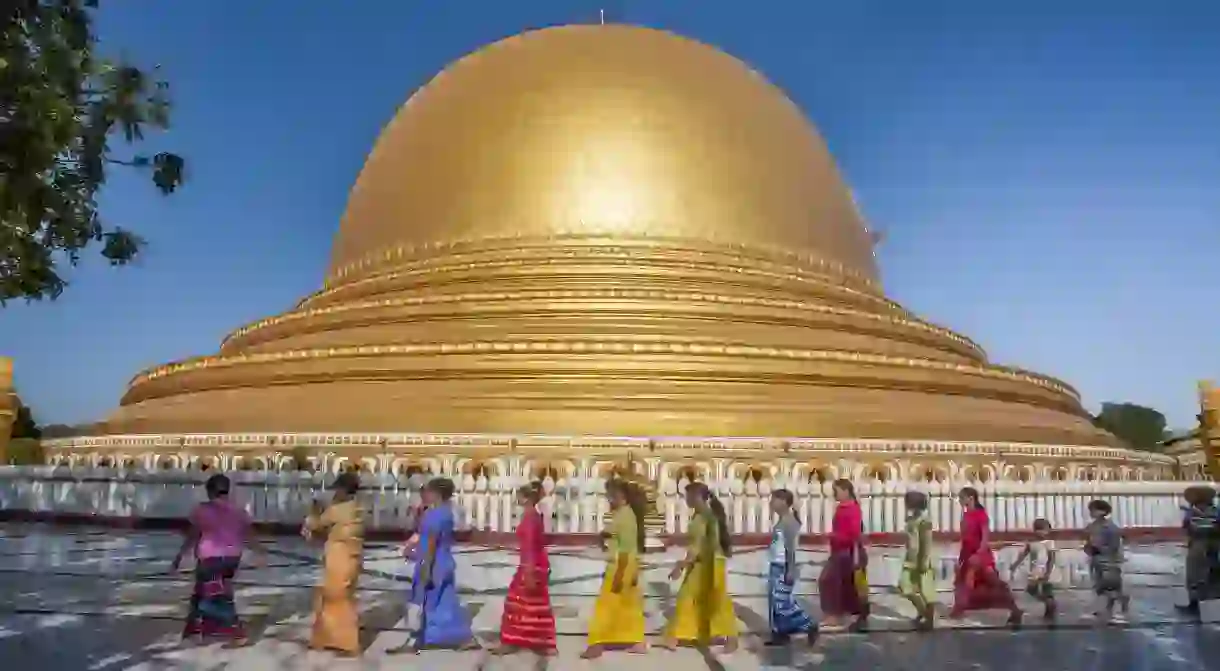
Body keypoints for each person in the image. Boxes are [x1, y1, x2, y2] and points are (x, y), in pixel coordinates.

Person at [172, 473, 265, 646]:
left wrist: (180, 555)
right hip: (232, 559)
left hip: (210, 558)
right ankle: (193, 631)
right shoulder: (239, 511)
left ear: (210, 491)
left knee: (212, 598)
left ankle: (237, 632)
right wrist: (260, 552)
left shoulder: (202, 509)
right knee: (203, 592)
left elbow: (193, 534)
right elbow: (249, 535)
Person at [393, 477, 475, 653]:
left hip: (434, 563)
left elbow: (431, 543)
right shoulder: (445, 511)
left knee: (421, 600)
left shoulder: (435, 515)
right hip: (443, 562)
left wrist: (425, 568)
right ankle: (462, 638)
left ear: (436, 494)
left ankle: (415, 640)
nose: (425, 494)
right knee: (445, 602)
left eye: (428, 491)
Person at [662, 482, 739, 652]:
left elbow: (697, 545)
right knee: (688, 597)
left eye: (688, 496)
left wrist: (681, 565)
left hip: (709, 564)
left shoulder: (705, 517)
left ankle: (731, 637)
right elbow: (695, 539)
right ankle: (680, 634)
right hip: (703, 563)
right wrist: (676, 540)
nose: (686, 500)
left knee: (715, 600)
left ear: (697, 497)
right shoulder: (701, 516)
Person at [582, 478, 648, 659]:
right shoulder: (623, 514)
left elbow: (626, 548)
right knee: (628, 605)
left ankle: (596, 643)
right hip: (626, 565)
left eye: (610, 496)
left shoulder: (626, 517)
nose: (608, 500)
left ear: (619, 496)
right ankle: (637, 641)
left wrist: (619, 574)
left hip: (621, 566)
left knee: (604, 606)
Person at [303, 472, 365, 657]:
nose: (334, 492)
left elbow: (315, 524)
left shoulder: (337, 509)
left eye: (337, 489)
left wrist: (314, 510)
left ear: (343, 490)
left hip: (339, 556)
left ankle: (348, 644)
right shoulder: (357, 507)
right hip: (353, 556)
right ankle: (324, 638)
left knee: (336, 598)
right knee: (338, 597)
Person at [495, 481, 557, 656]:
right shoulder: (534, 516)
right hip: (537, 562)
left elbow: (530, 546)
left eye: (520, 496)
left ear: (526, 498)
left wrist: (529, 571)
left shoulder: (530, 518)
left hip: (531, 564)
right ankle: (540, 642)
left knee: (517, 603)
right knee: (535, 603)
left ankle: (513, 641)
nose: (517, 499)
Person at [950, 487, 1022, 627]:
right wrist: (961, 558)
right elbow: (965, 538)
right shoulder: (966, 515)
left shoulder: (981, 515)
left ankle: (1015, 610)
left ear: (970, 498)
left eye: (961, 497)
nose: (959, 500)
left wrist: (979, 554)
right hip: (968, 555)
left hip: (981, 556)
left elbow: (985, 538)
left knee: (994, 583)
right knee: (964, 583)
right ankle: (959, 609)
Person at [764, 488, 818, 646]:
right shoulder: (783, 520)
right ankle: (780, 633)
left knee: (782, 602)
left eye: (774, 500)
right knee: (775, 601)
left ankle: (808, 624)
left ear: (783, 502)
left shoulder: (789, 522)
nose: (771, 503)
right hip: (777, 565)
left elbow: (791, 548)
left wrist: (790, 569)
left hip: (783, 566)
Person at [819, 479, 869, 631]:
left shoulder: (852, 509)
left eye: (837, 491)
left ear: (846, 491)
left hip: (846, 551)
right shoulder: (844, 508)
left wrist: (833, 536)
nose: (835, 494)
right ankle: (851, 612)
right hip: (841, 549)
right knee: (846, 583)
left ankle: (834, 614)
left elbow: (853, 533)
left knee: (828, 581)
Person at [1083, 499, 1130, 622]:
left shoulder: (1110, 527)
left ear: (1103, 511)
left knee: (1112, 586)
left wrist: (1100, 549)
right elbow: (1088, 540)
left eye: (1093, 510)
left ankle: (1123, 607)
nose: (1091, 512)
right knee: (1100, 586)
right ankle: (1106, 609)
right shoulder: (1092, 526)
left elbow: (1114, 546)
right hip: (1096, 558)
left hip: (1109, 560)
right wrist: (1088, 548)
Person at [1178, 485, 1220, 616]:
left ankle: (1194, 606)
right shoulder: (1215, 511)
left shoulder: (1191, 512)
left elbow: (1186, 527)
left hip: (1197, 545)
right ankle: (1213, 605)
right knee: (1212, 575)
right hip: (1214, 546)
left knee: (1194, 575)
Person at [898, 490, 936, 630]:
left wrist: (924, 560)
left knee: (926, 589)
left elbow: (926, 541)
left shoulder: (925, 520)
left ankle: (928, 618)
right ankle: (923, 612)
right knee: (905, 586)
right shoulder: (911, 519)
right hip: (911, 558)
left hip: (922, 558)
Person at [1009, 518, 1057, 622]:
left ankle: (1050, 608)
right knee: (1031, 590)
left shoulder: (1049, 543)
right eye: (1038, 529)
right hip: (1035, 570)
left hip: (1046, 570)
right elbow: (1023, 554)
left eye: (1043, 529)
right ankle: (1048, 603)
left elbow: (1052, 558)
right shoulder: (1031, 542)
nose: (1041, 532)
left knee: (1046, 589)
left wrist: (1048, 572)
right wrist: (1015, 564)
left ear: (1048, 531)